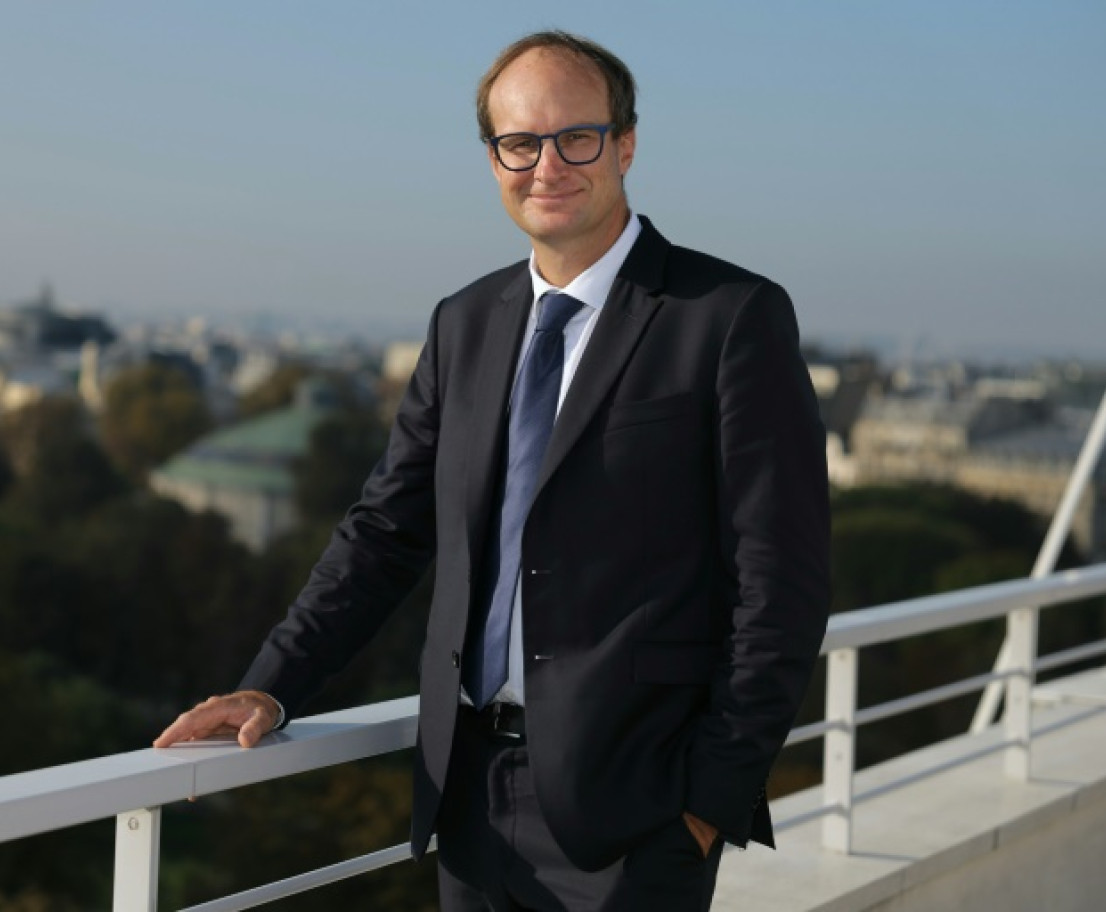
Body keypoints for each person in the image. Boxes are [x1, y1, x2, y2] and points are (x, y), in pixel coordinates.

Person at [155, 30, 830, 911]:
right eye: (520, 142)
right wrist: (273, 686)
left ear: (625, 144)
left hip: (638, 811)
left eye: (575, 137)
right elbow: (385, 532)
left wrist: (711, 798)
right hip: (466, 795)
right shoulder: (464, 322)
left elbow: (780, 579)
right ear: (492, 159)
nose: (546, 165)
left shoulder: (729, 317)